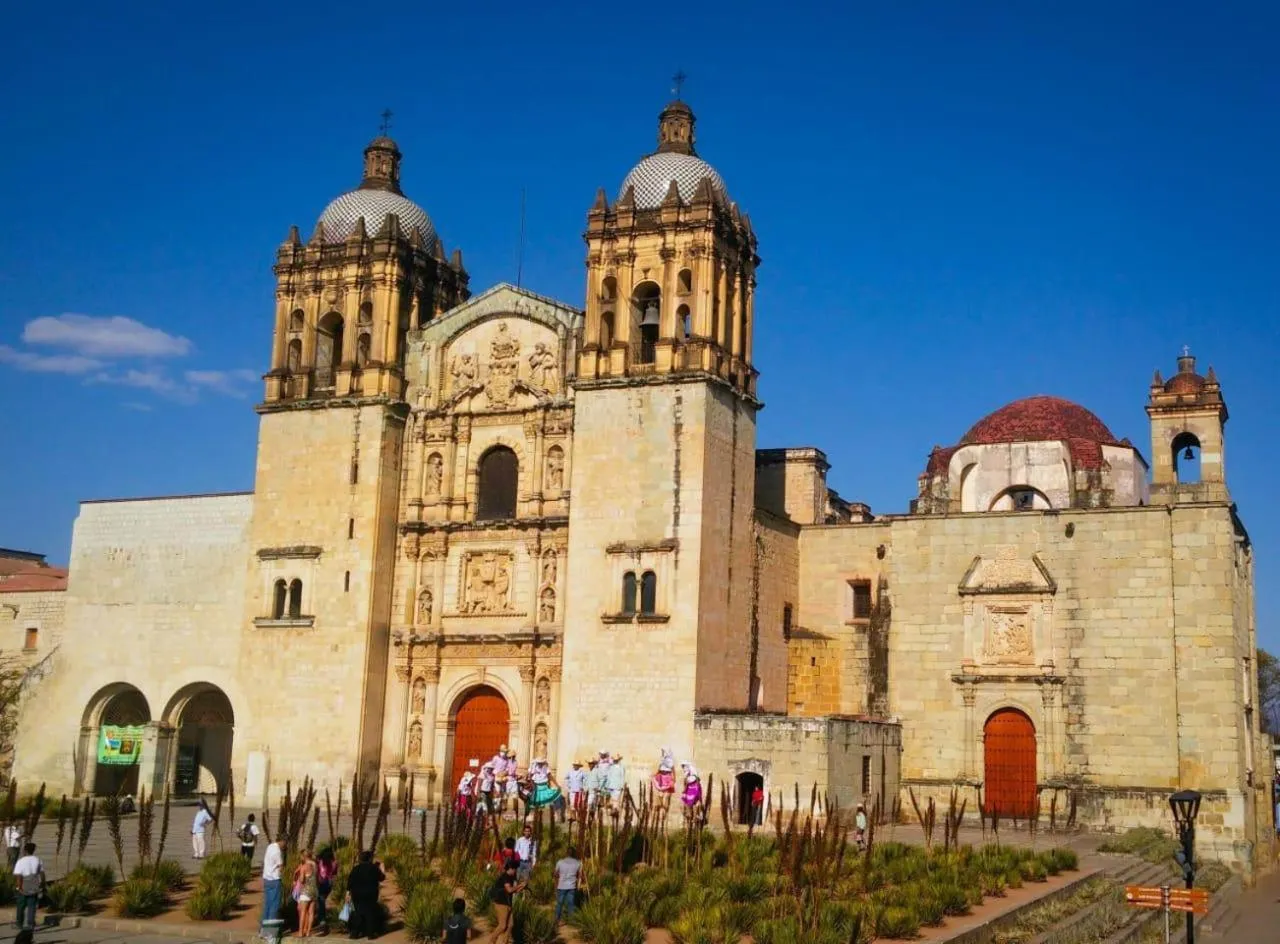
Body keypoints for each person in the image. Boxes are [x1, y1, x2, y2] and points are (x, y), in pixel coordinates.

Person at [346, 850, 385, 940]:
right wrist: (382, 868)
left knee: (357, 912)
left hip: (357, 894)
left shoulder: (356, 868)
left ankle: (354, 933)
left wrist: (347, 893)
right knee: (370, 913)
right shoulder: (373, 868)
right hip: (370, 894)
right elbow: (382, 878)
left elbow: (350, 881)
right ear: (369, 858)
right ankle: (370, 934)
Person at [488, 862, 523, 944]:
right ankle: (492, 941)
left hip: (507, 904)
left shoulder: (510, 877)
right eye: (514, 869)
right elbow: (509, 890)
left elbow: (514, 891)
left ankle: (505, 942)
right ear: (510, 869)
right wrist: (519, 885)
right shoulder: (505, 877)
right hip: (501, 904)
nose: (515, 871)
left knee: (511, 925)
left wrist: (522, 886)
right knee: (502, 926)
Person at [12, 841, 44, 933]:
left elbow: (19, 876)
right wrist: (42, 885)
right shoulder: (38, 860)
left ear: (25, 850)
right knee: (32, 905)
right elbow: (42, 874)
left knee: (21, 905)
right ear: (34, 850)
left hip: (23, 884)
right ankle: (30, 924)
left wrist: (19, 887)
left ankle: (19, 923)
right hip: (34, 884)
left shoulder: (21, 861)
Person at [552, 846, 581, 925]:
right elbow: (580, 875)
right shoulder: (578, 863)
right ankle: (571, 920)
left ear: (566, 853)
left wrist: (556, 881)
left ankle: (556, 920)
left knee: (559, 903)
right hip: (571, 886)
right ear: (574, 854)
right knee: (571, 904)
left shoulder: (560, 862)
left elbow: (555, 874)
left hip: (561, 886)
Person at [261, 835, 285, 931]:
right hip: (274, 880)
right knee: (274, 907)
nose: (285, 846)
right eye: (285, 844)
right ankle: (269, 931)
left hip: (267, 879)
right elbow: (281, 866)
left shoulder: (270, 846)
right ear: (282, 841)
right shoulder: (277, 852)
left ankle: (262, 929)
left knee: (267, 904)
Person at [294, 849, 318, 939]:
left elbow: (302, 880)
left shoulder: (304, 867)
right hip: (314, 890)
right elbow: (316, 878)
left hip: (306, 891)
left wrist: (299, 875)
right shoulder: (315, 865)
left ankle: (300, 932)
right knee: (311, 912)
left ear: (304, 857)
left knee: (303, 911)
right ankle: (308, 932)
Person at [316, 846, 338, 931]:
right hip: (329, 883)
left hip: (321, 882)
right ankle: (322, 919)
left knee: (321, 901)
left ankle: (322, 919)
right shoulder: (334, 863)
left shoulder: (320, 862)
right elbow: (335, 873)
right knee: (322, 900)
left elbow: (317, 872)